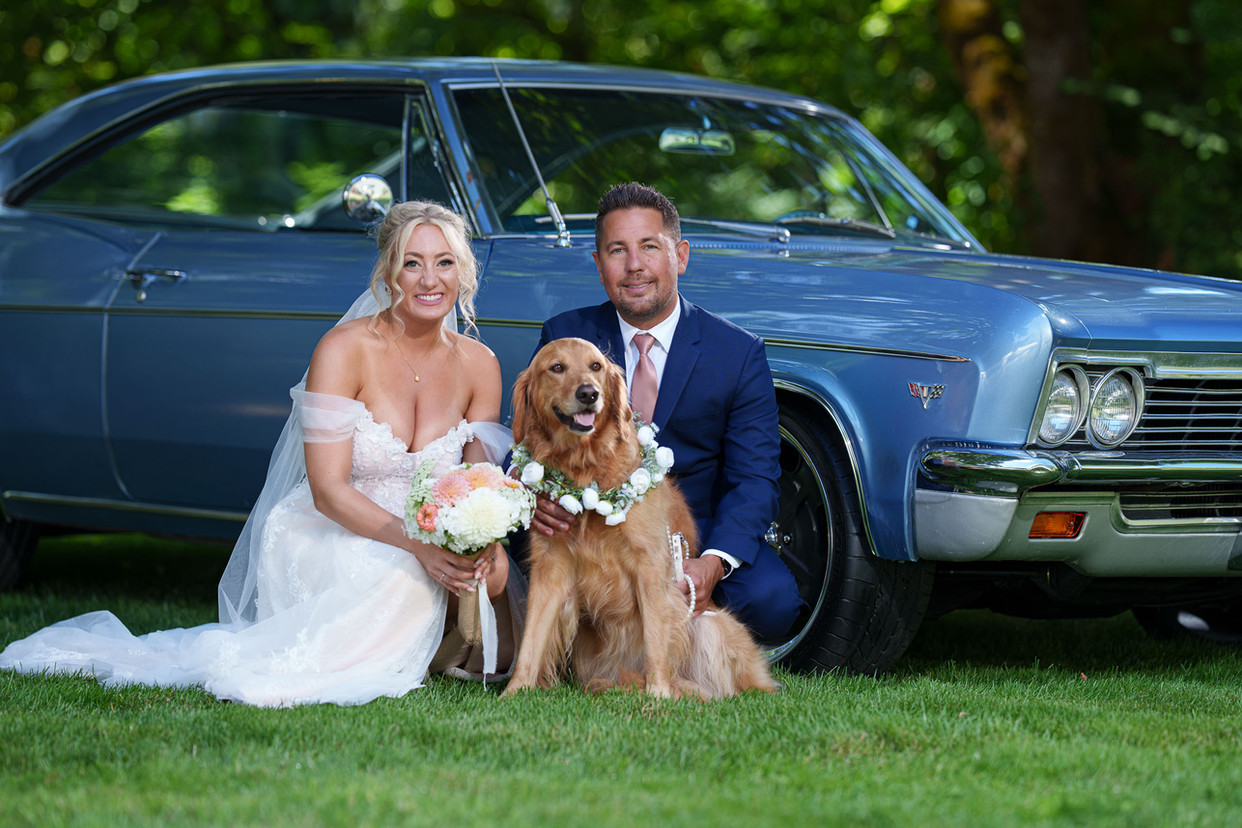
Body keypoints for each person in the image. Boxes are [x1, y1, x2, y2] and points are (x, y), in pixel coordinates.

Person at [0, 201, 523, 707]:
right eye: (413, 263)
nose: (429, 280)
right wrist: (420, 546)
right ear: (388, 273)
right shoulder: (343, 349)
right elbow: (327, 490)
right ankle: (365, 659)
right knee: (402, 573)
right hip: (336, 525)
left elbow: (473, 482)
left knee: (493, 571)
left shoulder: (480, 364)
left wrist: (470, 538)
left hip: (425, 523)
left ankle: (444, 649)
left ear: (463, 274)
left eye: (444, 263)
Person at [530, 182, 802, 641]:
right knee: (517, 543)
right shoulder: (567, 334)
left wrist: (712, 563)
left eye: (649, 247)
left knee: (772, 603)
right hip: (583, 524)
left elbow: (754, 478)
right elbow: (527, 436)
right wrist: (535, 496)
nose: (634, 266)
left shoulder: (737, 352)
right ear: (599, 266)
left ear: (680, 256)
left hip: (688, 530)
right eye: (617, 251)